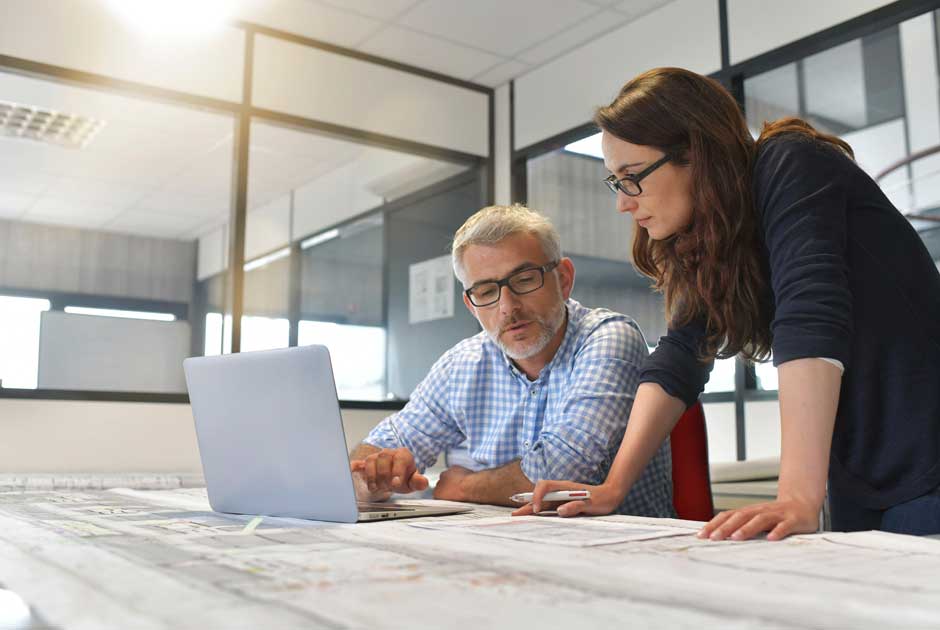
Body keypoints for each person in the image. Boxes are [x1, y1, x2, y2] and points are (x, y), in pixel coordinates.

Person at [516, 67, 940, 539]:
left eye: (631, 177)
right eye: (616, 182)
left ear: (697, 155)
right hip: (862, 466)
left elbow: (811, 313)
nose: (623, 203)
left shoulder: (790, 163)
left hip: (928, 446)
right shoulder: (716, 237)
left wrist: (797, 496)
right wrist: (611, 487)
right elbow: (680, 357)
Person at [348, 204, 674, 517]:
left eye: (524, 279)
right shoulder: (462, 364)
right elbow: (369, 457)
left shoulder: (608, 338)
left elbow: (564, 471)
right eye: (487, 291)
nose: (507, 307)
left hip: (621, 550)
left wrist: (463, 486)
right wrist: (373, 479)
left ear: (563, 278)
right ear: (471, 305)